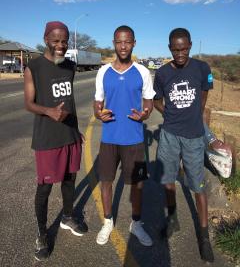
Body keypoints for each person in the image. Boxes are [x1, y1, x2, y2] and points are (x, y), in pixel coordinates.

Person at [24, 21, 88, 261]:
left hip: (70, 134)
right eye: (56, 40)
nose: (60, 45)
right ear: (46, 39)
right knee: (45, 188)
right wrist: (48, 111)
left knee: (70, 179)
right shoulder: (34, 67)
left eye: (64, 41)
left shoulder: (70, 66)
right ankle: (41, 233)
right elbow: (28, 103)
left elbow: (69, 101)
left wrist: (76, 130)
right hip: (47, 138)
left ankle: (68, 216)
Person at [153, 28, 214, 263]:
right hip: (169, 135)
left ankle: (204, 236)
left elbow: (204, 96)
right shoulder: (162, 73)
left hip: (193, 137)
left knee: (197, 186)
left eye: (184, 48)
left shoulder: (202, 69)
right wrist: (168, 113)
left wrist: (195, 118)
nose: (180, 53)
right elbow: (157, 99)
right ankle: (172, 219)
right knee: (168, 180)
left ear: (189, 45)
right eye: (175, 49)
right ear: (170, 48)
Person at [94, 25, 155, 246]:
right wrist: (98, 113)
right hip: (109, 137)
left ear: (134, 43)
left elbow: (148, 101)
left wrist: (145, 114)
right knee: (106, 182)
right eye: (119, 41)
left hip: (134, 139)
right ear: (113, 43)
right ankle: (108, 221)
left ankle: (136, 223)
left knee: (137, 184)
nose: (123, 46)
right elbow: (97, 102)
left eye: (127, 41)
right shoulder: (103, 72)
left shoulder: (142, 72)